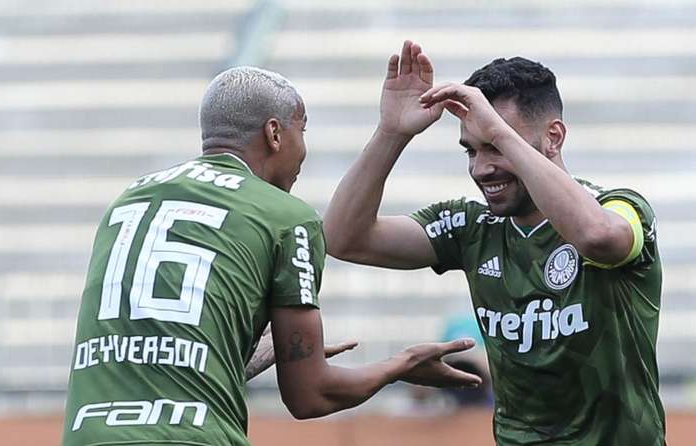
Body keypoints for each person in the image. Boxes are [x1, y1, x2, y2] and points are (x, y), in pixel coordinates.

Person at [61, 66, 482, 446]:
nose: (303, 149)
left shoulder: (130, 199)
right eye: (303, 130)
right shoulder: (286, 216)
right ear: (275, 134)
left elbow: (148, 346)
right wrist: (401, 364)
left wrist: (232, 357)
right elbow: (310, 395)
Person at [324, 41, 665, 445]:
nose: (481, 168)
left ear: (553, 137)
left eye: (496, 148)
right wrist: (391, 133)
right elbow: (343, 238)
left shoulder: (619, 207)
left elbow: (598, 238)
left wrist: (499, 132)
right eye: (471, 150)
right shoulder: (471, 225)